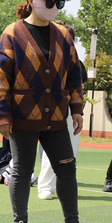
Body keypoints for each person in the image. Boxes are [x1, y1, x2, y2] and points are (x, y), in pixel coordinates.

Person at [0, 0, 96, 223]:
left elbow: (74, 74)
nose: (54, 6)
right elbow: (2, 76)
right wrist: (2, 114)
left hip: (56, 117)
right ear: (31, 0)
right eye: (49, 0)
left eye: (59, 1)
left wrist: (76, 108)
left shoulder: (63, 34)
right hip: (22, 115)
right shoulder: (12, 33)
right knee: (22, 169)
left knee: (67, 168)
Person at [37, 25, 88, 200]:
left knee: (71, 152)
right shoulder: (47, 57)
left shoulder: (76, 61)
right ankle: (45, 186)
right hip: (51, 109)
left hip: (70, 110)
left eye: (70, 37)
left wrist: (77, 111)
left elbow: (78, 85)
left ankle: (64, 185)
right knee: (51, 150)